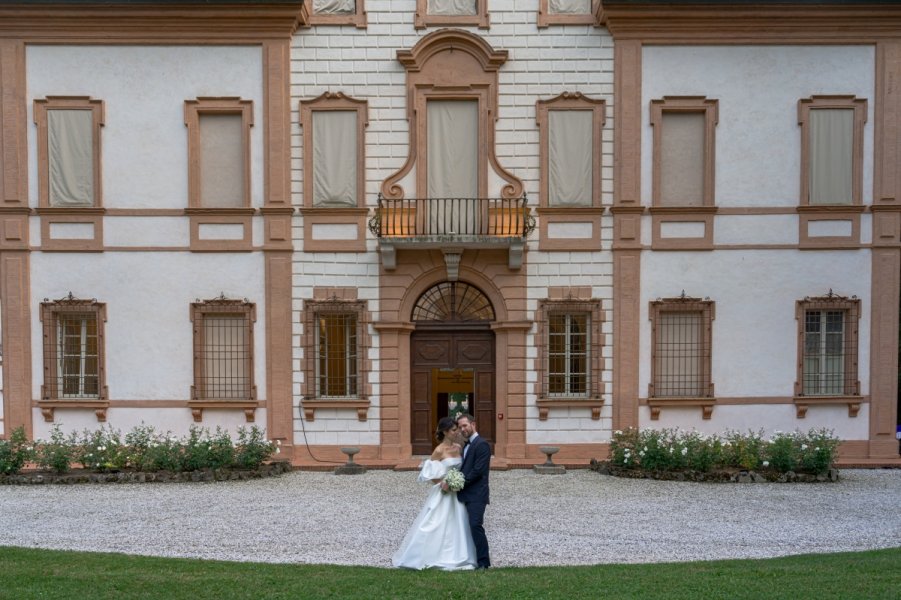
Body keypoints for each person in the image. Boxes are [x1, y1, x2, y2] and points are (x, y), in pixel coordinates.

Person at [392, 417, 477, 570]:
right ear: (445, 432)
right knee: (435, 523)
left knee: (459, 523)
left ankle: (460, 555)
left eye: (457, 429)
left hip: (458, 492)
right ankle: (427, 555)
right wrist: (444, 483)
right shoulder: (439, 450)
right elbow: (429, 473)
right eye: (453, 430)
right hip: (444, 492)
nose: (457, 432)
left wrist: (457, 482)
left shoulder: (459, 447)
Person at [455, 413, 491, 569]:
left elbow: (478, 471)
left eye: (465, 425)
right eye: (460, 427)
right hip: (465, 494)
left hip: (477, 494)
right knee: (464, 527)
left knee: (476, 525)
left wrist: (458, 483)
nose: (462, 429)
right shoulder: (465, 445)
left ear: (473, 424)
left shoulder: (482, 444)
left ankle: (484, 562)